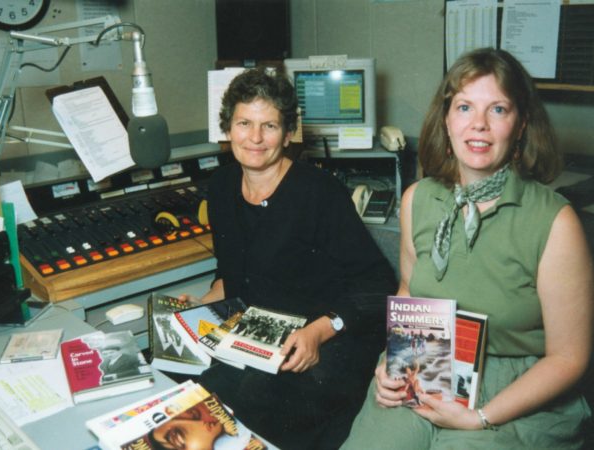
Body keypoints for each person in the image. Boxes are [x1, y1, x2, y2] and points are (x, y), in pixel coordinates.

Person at [342, 47, 593, 449]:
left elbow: (569, 358)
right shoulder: (416, 200)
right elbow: (410, 290)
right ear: (446, 118)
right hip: (427, 363)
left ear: (522, 123)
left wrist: (479, 417)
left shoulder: (556, 223)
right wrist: (394, 362)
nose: (478, 125)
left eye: (497, 109)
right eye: (464, 107)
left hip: (514, 386)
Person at [183, 67, 398, 449]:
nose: (255, 137)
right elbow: (233, 273)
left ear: (287, 133)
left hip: (326, 344)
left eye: (269, 125)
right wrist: (200, 306)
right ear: (227, 128)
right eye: (244, 123)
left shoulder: (319, 193)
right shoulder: (220, 187)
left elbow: (378, 286)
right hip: (258, 339)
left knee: (245, 411)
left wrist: (319, 331)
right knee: (191, 398)